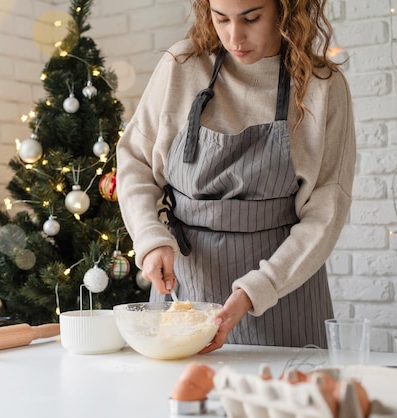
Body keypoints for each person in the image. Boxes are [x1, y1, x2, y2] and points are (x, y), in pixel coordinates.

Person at [116, 0, 356, 354]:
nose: (234, 36)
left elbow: (325, 212)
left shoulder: (322, 87)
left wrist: (258, 289)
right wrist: (150, 239)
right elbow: (135, 159)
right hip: (189, 286)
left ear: (285, 10)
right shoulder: (182, 66)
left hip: (284, 293)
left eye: (251, 18)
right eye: (221, 18)